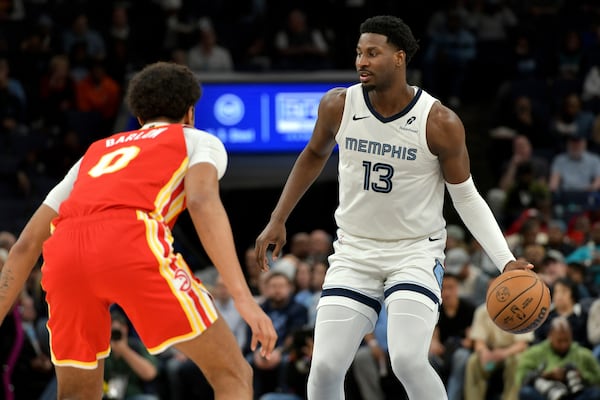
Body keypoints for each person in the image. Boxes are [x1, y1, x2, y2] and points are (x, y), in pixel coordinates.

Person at [255, 15, 532, 400]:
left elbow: (466, 196)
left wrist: (505, 260)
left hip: (414, 251)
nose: (361, 62)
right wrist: (278, 218)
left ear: (399, 58)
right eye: (358, 53)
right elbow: (312, 155)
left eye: (372, 53)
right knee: (324, 368)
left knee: (407, 360)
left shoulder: (439, 121)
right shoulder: (339, 104)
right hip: (355, 250)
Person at [0, 61, 277, 400]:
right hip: (131, 241)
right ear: (190, 113)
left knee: (76, 394)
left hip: (65, 253)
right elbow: (203, 201)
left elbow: (26, 243)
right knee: (233, 373)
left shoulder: (94, 153)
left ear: (140, 116)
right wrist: (243, 298)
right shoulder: (197, 140)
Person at [516, 316, 600, 400]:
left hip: (575, 394)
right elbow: (520, 378)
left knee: (595, 393)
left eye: (566, 340)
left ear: (571, 336)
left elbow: (597, 378)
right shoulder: (534, 353)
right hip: (546, 394)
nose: (563, 344)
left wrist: (582, 376)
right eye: (559, 341)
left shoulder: (583, 354)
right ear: (550, 336)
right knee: (525, 392)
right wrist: (546, 375)